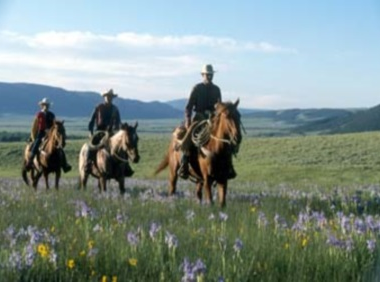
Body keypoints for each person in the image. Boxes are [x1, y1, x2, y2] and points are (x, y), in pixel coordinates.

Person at [178, 64, 236, 179]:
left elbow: (219, 107)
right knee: (188, 139)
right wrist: (188, 120)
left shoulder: (216, 89)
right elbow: (188, 107)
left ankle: (229, 166)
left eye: (211, 74)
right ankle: (184, 164)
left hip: (213, 119)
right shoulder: (197, 88)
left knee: (225, 139)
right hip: (199, 118)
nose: (209, 76)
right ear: (203, 75)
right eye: (207, 74)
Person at [87, 89, 133, 176]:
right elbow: (91, 122)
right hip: (99, 133)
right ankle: (88, 164)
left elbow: (118, 122)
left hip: (112, 133)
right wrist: (90, 133)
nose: (109, 98)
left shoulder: (115, 109)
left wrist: (119, 129)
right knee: (91, 148)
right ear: (104, 97)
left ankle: (126, 166)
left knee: (123, 148)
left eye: (110, 97)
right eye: (107, 96)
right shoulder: (98, 107)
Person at [26, 98, 72, 172]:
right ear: (42, 105)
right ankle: (30, 162)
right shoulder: (39, 114)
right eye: (45, 105)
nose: (46, 106)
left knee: (59, 147)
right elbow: (34, 127)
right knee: (36, 145)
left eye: (47, 105)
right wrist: (33, 136)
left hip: (50, 134)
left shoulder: (52, 115)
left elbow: (55, 125)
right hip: (41, 133)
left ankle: (65, 164)